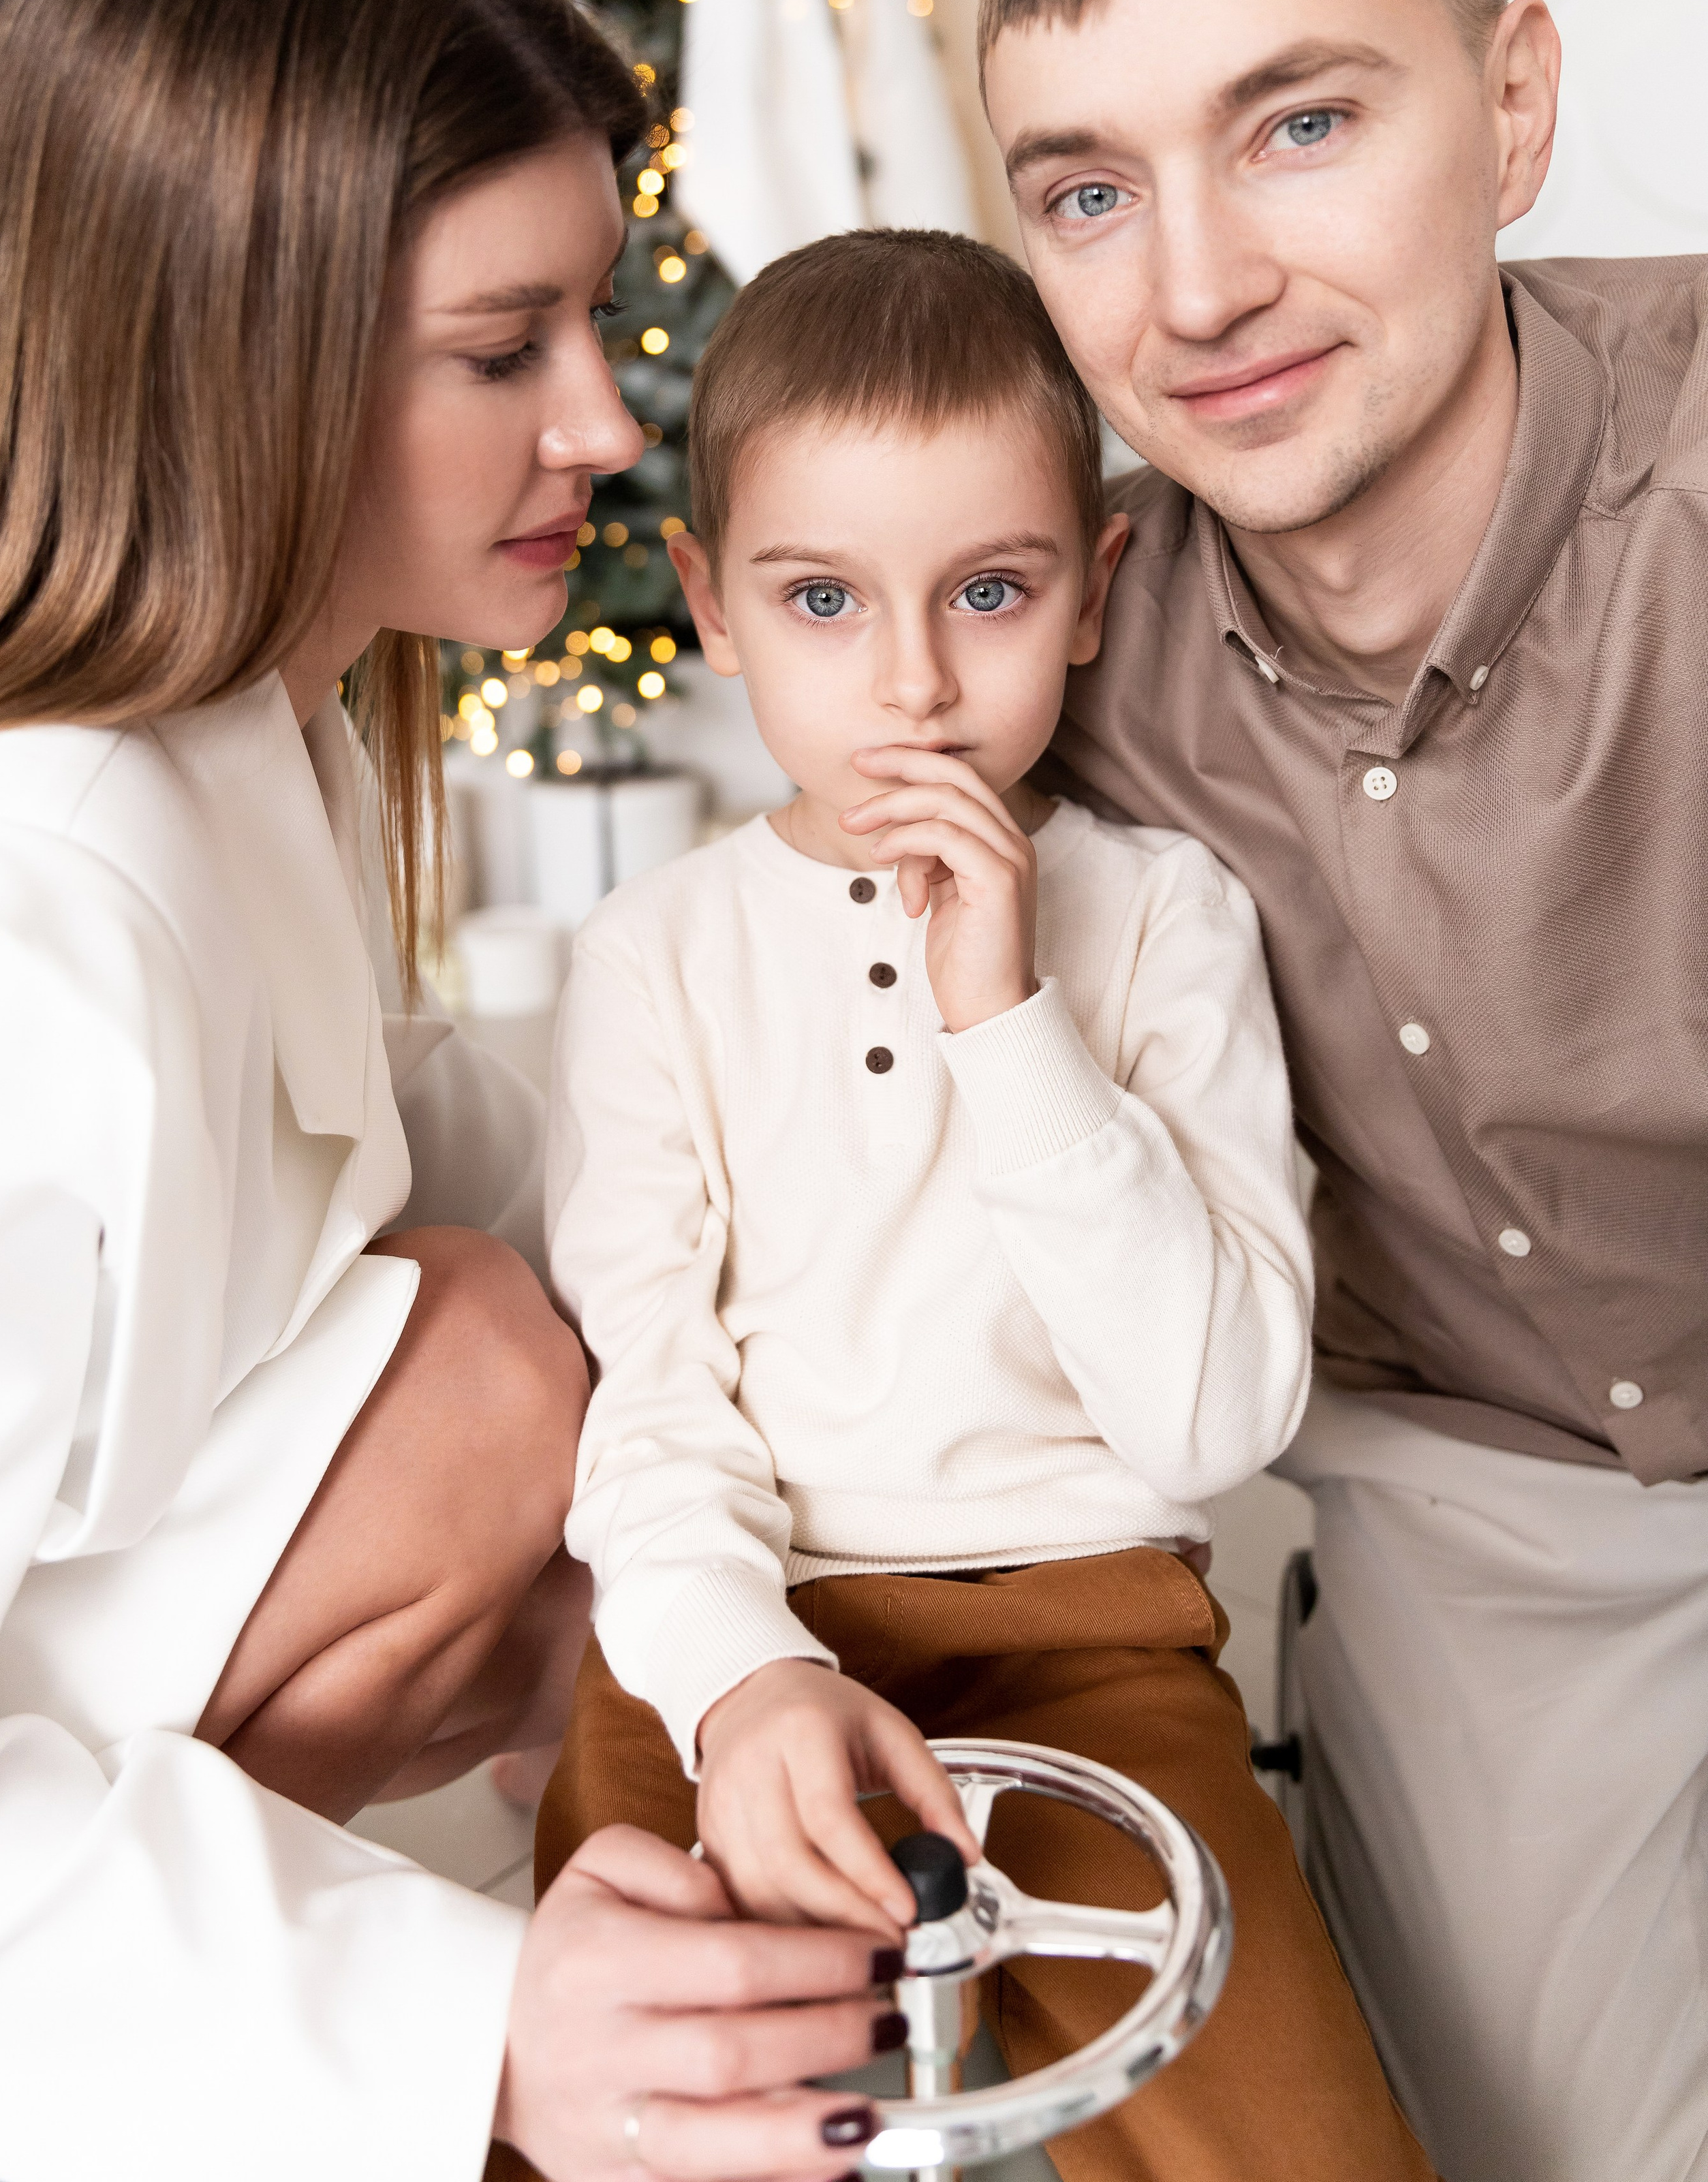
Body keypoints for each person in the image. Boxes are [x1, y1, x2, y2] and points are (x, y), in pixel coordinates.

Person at [0, 0, 903, 2182]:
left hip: (179, 1743)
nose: (606, 421)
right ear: (234, 346)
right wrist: (467, 2028)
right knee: (485, 1371)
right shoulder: (25, 934)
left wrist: (876, 1103)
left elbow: (456, 1128)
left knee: (539, 1347)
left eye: (589, 324)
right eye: (505, 353)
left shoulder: (251, 736)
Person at [979, 0, 1708, 2182]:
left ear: (1513, 111)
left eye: (1297, 126)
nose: (1193, 291)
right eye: (1091, 190)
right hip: (1483, 1516)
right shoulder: (1046, 652)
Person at [531, 228, 1434, 2182]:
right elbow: (654, 1408)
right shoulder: (651, 961)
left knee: (1300, 2140)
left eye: (992, 592)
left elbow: (1211, 1421)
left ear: (1095, 591)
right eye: (827, 600)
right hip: (736, 1636)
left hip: (1095, 1641)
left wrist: (1008, 1021)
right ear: (710, 603)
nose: (916, 686)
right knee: (637, 2106)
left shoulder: (1169, 922)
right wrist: (739, 1677)